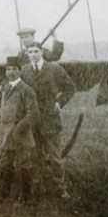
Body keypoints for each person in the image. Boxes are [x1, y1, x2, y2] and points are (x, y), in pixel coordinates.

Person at [21, 42, 75, 199]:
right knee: (34, 155)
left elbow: (71, 87)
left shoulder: (54, 69)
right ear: (27, 53)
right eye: (30, 52)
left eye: (36, 51)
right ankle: (37, 186)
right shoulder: (24, 71)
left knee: (55, 156)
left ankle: (60, 187)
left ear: (42, 52)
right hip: (33, 121)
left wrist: (59, 102)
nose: (33, 54)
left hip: (50, 119)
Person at [0, 56, 40, 202]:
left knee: (24, 165)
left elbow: (33, 113)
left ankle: (26, 197)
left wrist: (18, 128)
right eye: (8, 69)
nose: (11, 72)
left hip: (20, 135)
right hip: (6, 134)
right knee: (6, 164)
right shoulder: (5, 88)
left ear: (20, 71)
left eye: (14, 69)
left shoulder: (26, 89)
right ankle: (2, 195)